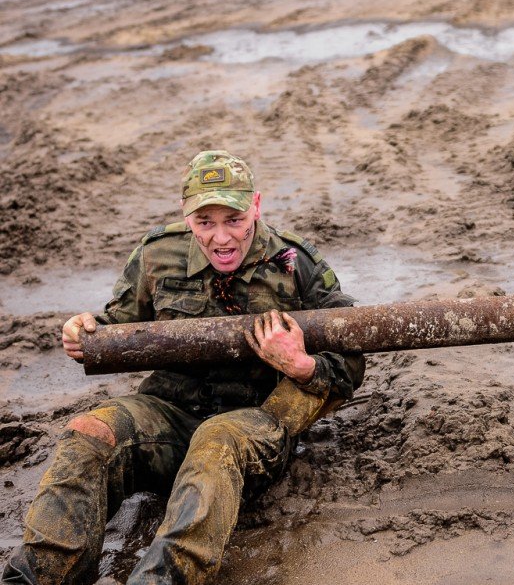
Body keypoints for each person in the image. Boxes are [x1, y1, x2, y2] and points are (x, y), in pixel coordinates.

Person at [2, 150, 364, 584]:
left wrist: (302, 366)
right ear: (185, 216)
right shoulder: (157, 254)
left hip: (253, 425)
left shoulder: (296, 263)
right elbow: (117, 327)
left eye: (233, 219)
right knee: (89, 433)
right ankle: (43, 573)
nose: (221, 237)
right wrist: (83, 331)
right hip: (168, 416)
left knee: (216, 440)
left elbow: (350, 358)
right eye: (204, 222)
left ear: (256, 206)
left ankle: (163, 578)